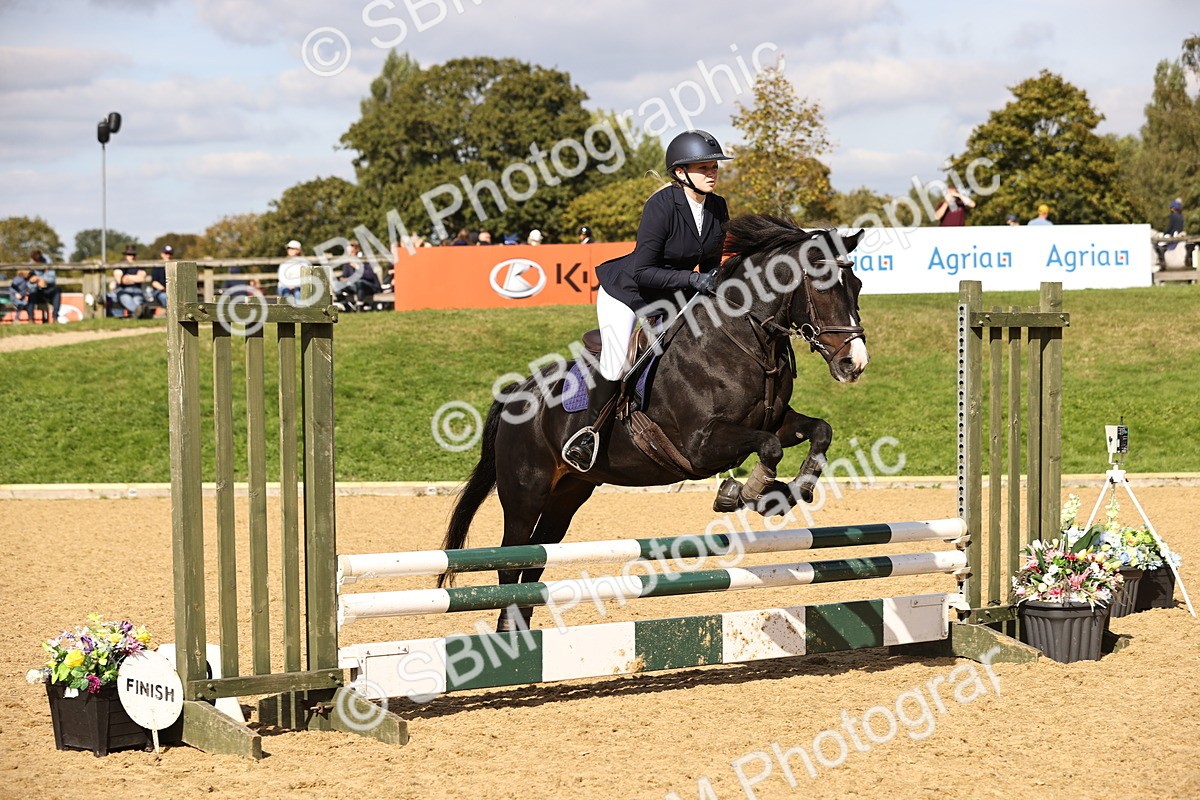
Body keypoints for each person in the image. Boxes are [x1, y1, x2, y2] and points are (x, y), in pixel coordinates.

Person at [562, 129, 731, 472]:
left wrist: (718, 287)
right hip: (627, 292)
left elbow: (712, 264)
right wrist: (693, 279)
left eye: (714, 165)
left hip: (675, 292)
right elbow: (643, 271)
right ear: (681, 173)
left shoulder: (717, 207)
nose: (712, 171)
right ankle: (588, 434)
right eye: (704, 167)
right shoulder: (661, 206)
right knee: (614, 362)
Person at [335, 239, 383, 310]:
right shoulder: (348, 261)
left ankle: (359, 306)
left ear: (356, 249)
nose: (349, 253)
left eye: (351, 251)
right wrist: (343, 279)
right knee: (336, 285)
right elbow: (345, 275)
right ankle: (345, 304)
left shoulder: (365, 259)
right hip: (354, 286)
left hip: (369, 286)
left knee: (359, 282)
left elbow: (370, 276)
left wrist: (358, 267)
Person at [111, 245, 152, 318]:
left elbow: (141, 279)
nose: (131, 256)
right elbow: (119, 280)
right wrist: (135, 278)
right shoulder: (120, 264)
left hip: (137, 290)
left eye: (133, 254)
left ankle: (139, 313)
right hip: (123, 290)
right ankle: (142, 312)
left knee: (137, 300)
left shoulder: (139, 265)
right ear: (125, 255)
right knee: (125, 298)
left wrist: (128, 277)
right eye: (129, 254)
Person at [27, 249, 61, 323]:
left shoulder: (48, 262)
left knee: (57, 291)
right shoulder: (29, 265)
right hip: (36, 290)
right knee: (31, 293)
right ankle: (31, 318)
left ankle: (55, 317)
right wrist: (34, 282)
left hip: (48, 289)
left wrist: (43, 280)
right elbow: (28, 282)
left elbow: (52, 277)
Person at [277, 240, 308, 304]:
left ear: (298, 250)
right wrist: (289, 285)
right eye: (289, 248)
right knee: (286, 293)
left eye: (292, 248)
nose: (290, 250)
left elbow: (305, 278)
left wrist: (294, 285)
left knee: (297, 293)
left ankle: (299, 312)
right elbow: (281, 277)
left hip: (299, 287)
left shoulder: (303, 263)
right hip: (285, 286)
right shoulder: (284, 263)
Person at [148, 245, 171, 309]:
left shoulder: (174, 267)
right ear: (162, 254)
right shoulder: (157, 267)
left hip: (172, 291)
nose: (168, 255)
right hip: (160, 291)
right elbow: (154, 282)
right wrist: (165, 290)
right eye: (166, 253)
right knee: (165, 297)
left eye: (170, 253)